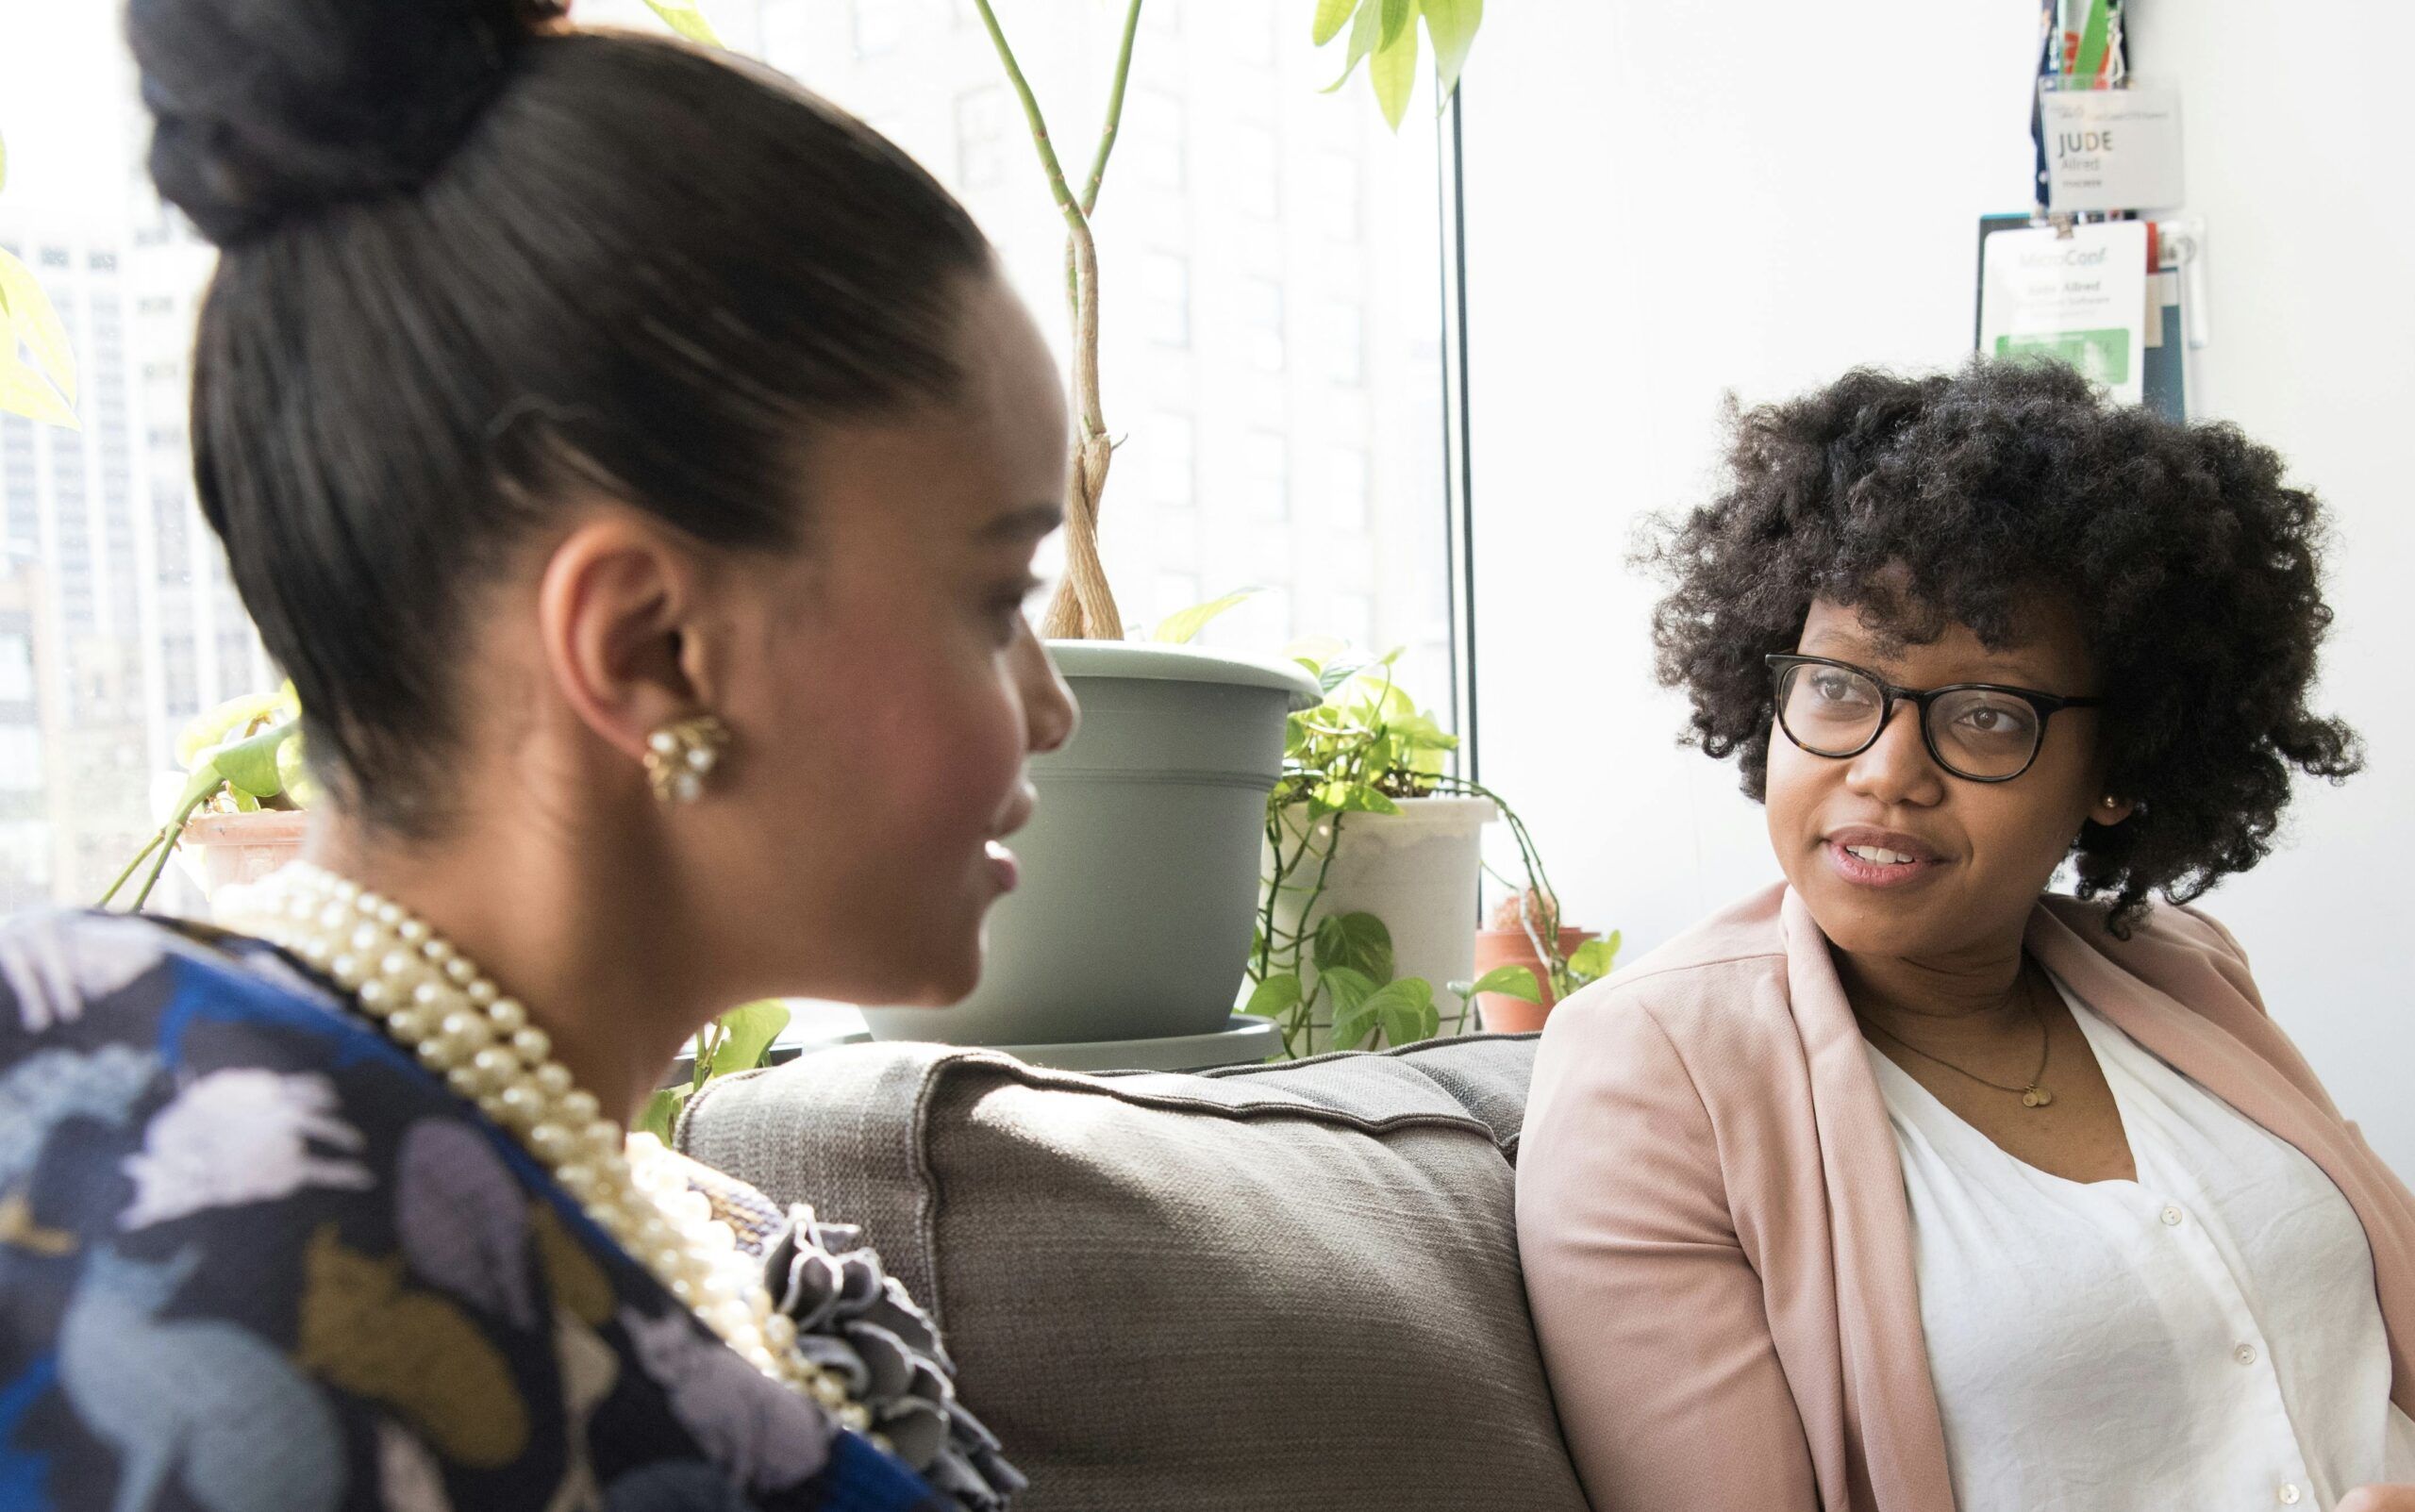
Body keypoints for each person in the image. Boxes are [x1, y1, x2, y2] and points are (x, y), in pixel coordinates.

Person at [0, 1, 1079, 1507]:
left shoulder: (675, 1238)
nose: (1051, 704)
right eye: (998, 598)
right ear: (650, 647)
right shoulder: (272, 1279)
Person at [1517, 360, 2415, 1511]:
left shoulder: (2180, 969)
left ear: (2117, 768)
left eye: (1987, 714)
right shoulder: (1648, 1075)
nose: (1885, 773)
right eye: (1839, 686)